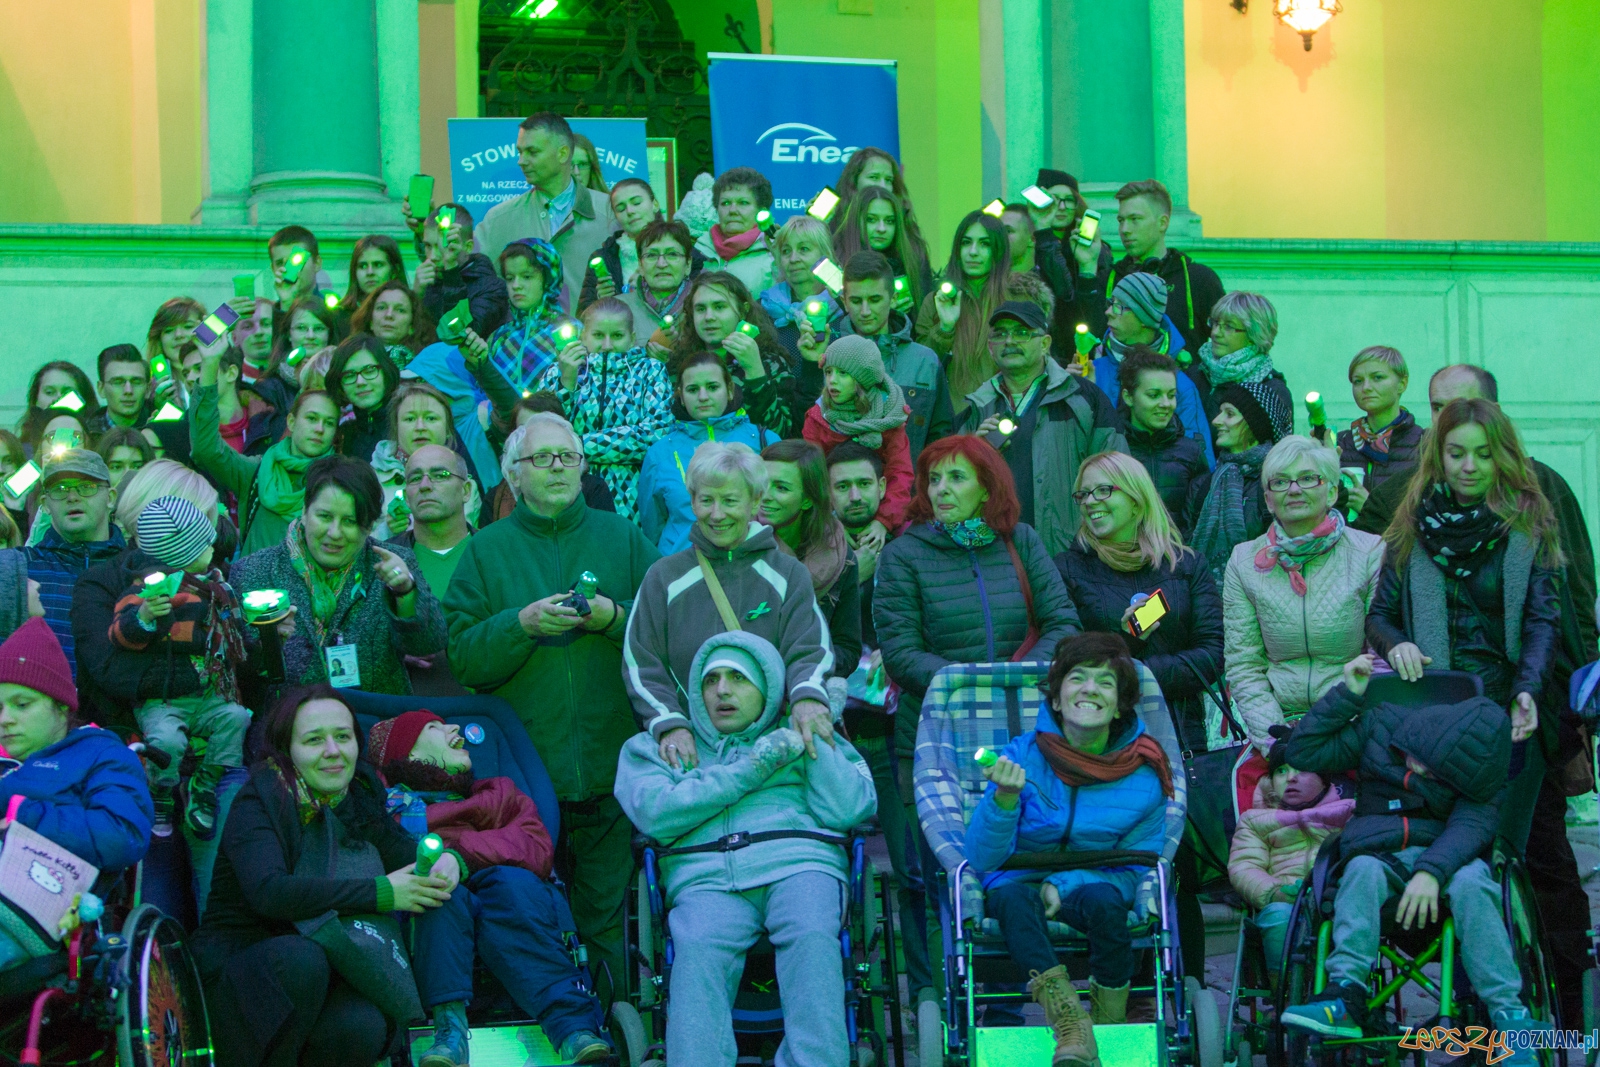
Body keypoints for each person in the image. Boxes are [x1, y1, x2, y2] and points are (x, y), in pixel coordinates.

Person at [444, 413, 658, 998]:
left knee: (605, 920)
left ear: (584, 466)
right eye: (543, 458)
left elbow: (664, 635)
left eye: (568, 456)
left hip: (611, 769)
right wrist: (521, 624)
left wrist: (613, 617)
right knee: (529, 920)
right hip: (522, 781)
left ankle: (615, 1029)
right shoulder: (485, 552)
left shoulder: (623, 537)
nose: (558, 467)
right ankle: (552, 1031)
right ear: (513, 475)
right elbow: (462, 656)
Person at [614, 630, 877, 1067]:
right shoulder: (665, 746)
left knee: (812, 931)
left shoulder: (798, 731)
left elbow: (851, 807)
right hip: (707, 879)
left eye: (738, 678)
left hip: (798, 863)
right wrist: (752, 768)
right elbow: (655, 814)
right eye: (710, 679)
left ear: (768, 687)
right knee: (696, 947)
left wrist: (813, 737)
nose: (722, 690)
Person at [1279, 655, 1553, 1063]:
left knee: (1476, 882)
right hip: (1379, 853)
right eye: (1423, 758)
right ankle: (1344, 995)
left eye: (1437, 774)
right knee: (1361, 871)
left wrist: (1429, 872)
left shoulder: (1482, 776)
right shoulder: (1380, 726)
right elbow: (1303, 751)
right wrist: (1348, 693)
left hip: (1449, 859)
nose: (1420, 771)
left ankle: (1509, 1017)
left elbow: (1469, 830)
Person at [193, 686, 455, 1067]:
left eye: (343, 737)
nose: (333, 751)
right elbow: (269, 892)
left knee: (364, 1025)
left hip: (324, 969)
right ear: (287, 750)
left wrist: (448, 860)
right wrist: (381, 892)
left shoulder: (356, 797)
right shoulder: (259, 799)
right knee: (302, 960)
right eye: (314, 740)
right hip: (243, 973)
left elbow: (409, 856)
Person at [874, 435, 1082, 911]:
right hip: (936, 739)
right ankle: (934, 985)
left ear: (986, 489)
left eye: (957, 477)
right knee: (939, 877)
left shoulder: (1021, 541)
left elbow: (1063, 625)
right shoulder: (904, 555)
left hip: (1026, 733)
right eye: (934, 479)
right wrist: (976, 686)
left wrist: (1017, 679)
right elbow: (902, 655)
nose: (941, 489)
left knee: (1027, 862)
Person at [968, 631, 1177, 1061]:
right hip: (1018, 880)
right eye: (1077, 678)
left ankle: (1107, 1026)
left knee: (1104, 902)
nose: (1089, 689)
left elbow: (1138, 865)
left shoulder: (1144, 774)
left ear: (1120, 704)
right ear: (1058, 700)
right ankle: (1071, 1025)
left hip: (1097, 881)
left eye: (1105, 682)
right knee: (1009, 898)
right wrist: (1005, 800)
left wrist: (1063, 885)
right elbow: (983, 859)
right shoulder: (1021, 756)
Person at [368, 712, 613, 1065]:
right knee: (437, 893)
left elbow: (534, 844)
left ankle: (573, 1027)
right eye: (434, 728)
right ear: (406, 755)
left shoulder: (499, 794)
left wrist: (462, 856)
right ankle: (449, 1031)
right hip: (433, 912)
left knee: (511, 884)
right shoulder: (386, 813)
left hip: (509, 894)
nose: (454, 728)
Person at [1354, 362, 1599, 656]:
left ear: (1492, 411)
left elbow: (1578, 591)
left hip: (1525, 676)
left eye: (1460, 405)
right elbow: (1360, 588)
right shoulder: (1402, 494)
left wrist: (1584, 670)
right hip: (1432, 680)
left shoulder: (1541, 486)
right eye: (1437, 407)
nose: (1448, 419)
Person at [624, 441, 837, 771]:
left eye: (730, 500)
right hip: (692, 755)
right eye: (705, 500)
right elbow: (641, 661)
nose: (717, 513)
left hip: (771, 753)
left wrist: (807, 697)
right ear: (692, 502)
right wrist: (670, 724)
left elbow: (809, 647)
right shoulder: (664, 576)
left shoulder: (787, 573)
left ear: (755, 502)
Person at [0, 617, 152, 970]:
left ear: (62, 706)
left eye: (22, 705)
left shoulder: (100, 754)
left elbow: (121, 836)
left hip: (38, 912)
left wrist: (22, 813)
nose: (5, 719)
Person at [231, 455, 447, 694]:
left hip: (373, 721)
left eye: (349, 521)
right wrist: (269, 644)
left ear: (369, 525)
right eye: (324, 516)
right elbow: (239, 675)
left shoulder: (393, 562)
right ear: (304, 511)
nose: (334, 533)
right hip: (286, 723)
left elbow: (430, 644)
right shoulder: (254, 571)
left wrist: (405, 592)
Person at [1221, 436, 1385, 751]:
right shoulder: (1243, 562)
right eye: (1280, 482)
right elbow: (1244, 665)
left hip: (1351, 724)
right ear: (1268, 499)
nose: (1294, 489)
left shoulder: (1369, 552)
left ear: (1333, 491)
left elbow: (1378, 660)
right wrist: (1276, 742)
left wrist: (1335, 730)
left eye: (1308, 478)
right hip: (1278, 728)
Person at [1054, 451, 1222, 750]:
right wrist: (1127, 640)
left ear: (1136, 499)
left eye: (1104, 490)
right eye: (1083, 494)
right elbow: (1071, 660)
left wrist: (1137, 672)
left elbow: (1212, 654)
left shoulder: (1186, 565)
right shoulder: (1067, 569)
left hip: (1181, 731)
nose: (1090, 501)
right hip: (1105, 735)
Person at [105, 496, 249, 838]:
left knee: (236, 718)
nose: (212, 546)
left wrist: (259, 630)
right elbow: (119, 634)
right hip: (165, 696)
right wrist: (143, 619)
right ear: (180, 552)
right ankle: (161, 789)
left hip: (208, 693)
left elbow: (237, 633)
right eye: (201, 543)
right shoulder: (149, 590)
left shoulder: (219, 587)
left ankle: (205, 783)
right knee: (166, 741)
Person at [959, 301, 1126, 555]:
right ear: (990, 347)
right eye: (1000, 334)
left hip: (1070, 553)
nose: (1009, 341)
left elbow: (1118, 474)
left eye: (1022, 333)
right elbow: (950, 483)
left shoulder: (1082, 397)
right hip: (993, 555)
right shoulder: (976, 405)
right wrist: (971, 448)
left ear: (1045, 343)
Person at [190, 330, 341, 555]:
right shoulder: (257, 471)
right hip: (255, 587)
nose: (319, 429)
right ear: (291, 420)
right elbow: (206, 449)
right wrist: (211, 364)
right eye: (311, 418)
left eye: (328, 423)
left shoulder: (343, 478)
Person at [1226, 726, 1352, 977]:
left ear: (1323, 778)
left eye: (1302, 770)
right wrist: (1273, 892)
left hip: (1335, 897)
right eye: (1281, 771)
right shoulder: (1256, 820)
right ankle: (1282, 995)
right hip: (1283, 897)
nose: (1290, 778)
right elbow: (1244, 865)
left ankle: (1342, 989)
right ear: (1271, 780)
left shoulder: (1346, 813)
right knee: (1278, 918)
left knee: (1352, 919)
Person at [534, 297, 674, 520]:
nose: (607, 345)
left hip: (631, 500)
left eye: (617, 335)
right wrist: (567, 383)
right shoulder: (557, 371)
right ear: (583, 336)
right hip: (568, 495)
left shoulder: (650, 371)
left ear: (632, 337)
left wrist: (578, 445)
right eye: (598, 335)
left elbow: (657, 433)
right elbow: (541, 434)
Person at [636, 352, 776, 555]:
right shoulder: (660, 453)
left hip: (750, 564)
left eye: (712, 387)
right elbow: (652, 528)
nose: (703, 397)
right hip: (680, 570)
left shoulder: (764, 441)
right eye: (692, 389)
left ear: (729, 390)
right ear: (681, 397)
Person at [471, 112, 617, 304]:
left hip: (593, 333)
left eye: (532, 152)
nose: (521, 161)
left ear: (563, 154)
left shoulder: (611, 213)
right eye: (520, 152)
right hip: (521, 335)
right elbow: (470, 281)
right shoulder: (498, 219)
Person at [1076, 179, 1223, 354]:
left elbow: (1225, 341)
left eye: (1135, 219)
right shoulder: (1108, 279)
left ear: (1163, 223)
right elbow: (1090, 341)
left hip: (1183, 380)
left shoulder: (1199, 279)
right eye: (1121, 220)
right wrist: (1087, 266)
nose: (1124, 229)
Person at [835, 250, 952, 462]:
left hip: (911, 491)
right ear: (844, 301)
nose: (865, 310)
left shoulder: (925, 361)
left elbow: (941, 442)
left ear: (893, 298)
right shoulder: (829, 358)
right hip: (846, 490)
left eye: (874, 299)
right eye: (856, 300)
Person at [759, 439, 861, 676]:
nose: (765, 496)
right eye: (761, 484)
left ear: (807, 499)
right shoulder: (738, 547)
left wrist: (806, 673)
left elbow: (847, 646)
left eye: (781, 488)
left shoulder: (840, 557)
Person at [800, 333, 912, 547]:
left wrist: (883, 522)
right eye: (828, 372)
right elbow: (813, 477)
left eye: (843, 373)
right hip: (834, 517)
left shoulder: (889, 416)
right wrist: (830, 521)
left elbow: (900, 473)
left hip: (884, 515)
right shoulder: (818, 418)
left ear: (863, 379)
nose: (832, 380)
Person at [1088, 273, 1213, 456]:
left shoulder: (1181, 385)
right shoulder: (1092, 371)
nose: (1108, 312)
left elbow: (1199, 461)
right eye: (1111, 303)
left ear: (1144, 319)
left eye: (1119, 306)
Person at [24, 449, 125, 676]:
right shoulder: (22, 568)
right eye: (60, 490)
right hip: (44, 707)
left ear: (110, 498)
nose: (72, 497)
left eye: (86, 487)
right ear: (45, 504)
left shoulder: (133, 568)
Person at [666, 271, 797, 437]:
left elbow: (778, 434)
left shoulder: (769, 362)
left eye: (719, 307)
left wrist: (755, 372)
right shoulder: (679, 365)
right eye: (700, 309)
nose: (708, 317)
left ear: (743, 311)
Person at [1189, 380, 1295, 581]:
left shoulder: (1278, 484)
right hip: (1211, 598)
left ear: (1254, 423)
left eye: (1229, 414)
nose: (1217, 421)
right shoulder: (1205, 484)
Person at [915, 210, 1012, 409]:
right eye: (966, 242)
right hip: (954, 418)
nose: (973, 252)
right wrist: (945, 328)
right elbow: (922, 367)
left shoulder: (1016, 300)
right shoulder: (936, 301)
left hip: (1006, 413)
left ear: (998, 250)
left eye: (984, 244)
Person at [369, 379, 484, 542]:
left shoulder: (463, 485)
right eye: (409, 419)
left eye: (431, 418)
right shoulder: (371, 479)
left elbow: (463, 544)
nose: (420, 427)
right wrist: (387, 531)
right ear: (396, 428)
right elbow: (356, 549)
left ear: (448, 431)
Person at [1117, 347, 1210, 536]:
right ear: (1128, 397)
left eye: (1171, 395)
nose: (1165, 404)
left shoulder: (1191, 453)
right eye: (1153, 395)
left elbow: (1200, 522)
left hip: (1176, 559)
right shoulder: (1112, 449)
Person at [467, 238, 573, 396]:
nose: (516, 285)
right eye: (510, 278)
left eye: (527, 276)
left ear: (548, 279)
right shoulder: (499, 337)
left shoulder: (570, 331)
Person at [580, 178, 701, 310]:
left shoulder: (684, 248)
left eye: (636, 203)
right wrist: (601, 302)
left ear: (655, 204)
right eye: (621, 209)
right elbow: (584, 317)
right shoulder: (604, 258)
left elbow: (701, 301)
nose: (630, 211)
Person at [1336, 346, 1425, 518]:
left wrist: (1371, 508)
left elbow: (1426, 517)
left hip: (1399, 544)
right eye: (1358, 381)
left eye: (1377, 378)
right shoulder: (1340, 443)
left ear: (1402, 384)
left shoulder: (1423, 443)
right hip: (1348, 543)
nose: (1366, 387)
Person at [1186, 290, 1291, 428]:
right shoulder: (1194, 375)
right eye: (1215, 323)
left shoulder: (1271, 391)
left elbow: (1279, 448)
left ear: (1253, 335)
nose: (1215, 333)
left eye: (1228, 326)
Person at [388, 445, 474, 601]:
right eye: (415, 479)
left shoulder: (494, 552)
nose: (425, 486)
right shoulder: (385, 559)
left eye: (440, 475)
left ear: (466, 490)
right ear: (407, 497)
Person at [832, 185, 934, 315]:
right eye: (871, 220)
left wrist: (897, 321)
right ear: (856, 221)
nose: (882, 228)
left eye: (889, 221)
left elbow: (923, 325)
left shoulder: (912, 260)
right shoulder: (835, 265)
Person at [416, 202, 509, 341]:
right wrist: (416, 295)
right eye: (428, 246)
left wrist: (451, 268)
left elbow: (460, 336)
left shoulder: (493, 288)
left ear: (468, 246)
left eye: (444, 245)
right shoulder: (428, 280)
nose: (433, 256)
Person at [760, 214, 845, 365]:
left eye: (803, 249)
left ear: (825, 255)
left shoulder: (847, 304)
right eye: (786, 251)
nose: (793, 259)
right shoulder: (765, 308)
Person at [693, 166, 777, 296]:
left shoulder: (775, 252)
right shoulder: (698, 251)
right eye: (725, 203)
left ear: (761, 210)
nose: (732, 210)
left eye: (743, 203)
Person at [617, 218, 698, 347]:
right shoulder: (618, 308)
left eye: (672, 254)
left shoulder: (702, 307)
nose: (661, 264)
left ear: (688, 264)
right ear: (640, 266)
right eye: (651, 255)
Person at [324, 335, 400, 462]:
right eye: (349, 375)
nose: (360, 382)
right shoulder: (341, 437)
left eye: (369, 370)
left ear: (386, 372)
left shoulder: (408, 424)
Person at [18, 361, 101, 458]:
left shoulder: (101, 448)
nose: (57, 398)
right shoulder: (19, 452)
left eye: (67, 393)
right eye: (49, 392)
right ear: (35, 399)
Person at [350, 278, 437, 368]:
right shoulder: (349, 361)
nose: (389, 315)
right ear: (370, 321)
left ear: (412, 325)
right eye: (381, 308)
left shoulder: (428, 366)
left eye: (400, 310)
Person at [338, 234, 406, 321]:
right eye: (363, 266)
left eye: (378, 265)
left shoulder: (409, 314)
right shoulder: (339, 317)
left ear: (395, 270)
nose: (370, 272)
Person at [96, 344, 153, 432]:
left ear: (148, 389)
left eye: (136, 382)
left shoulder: (162, 431)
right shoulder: (86, 434)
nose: (128, 391)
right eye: (118, 382)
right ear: (101, 389)